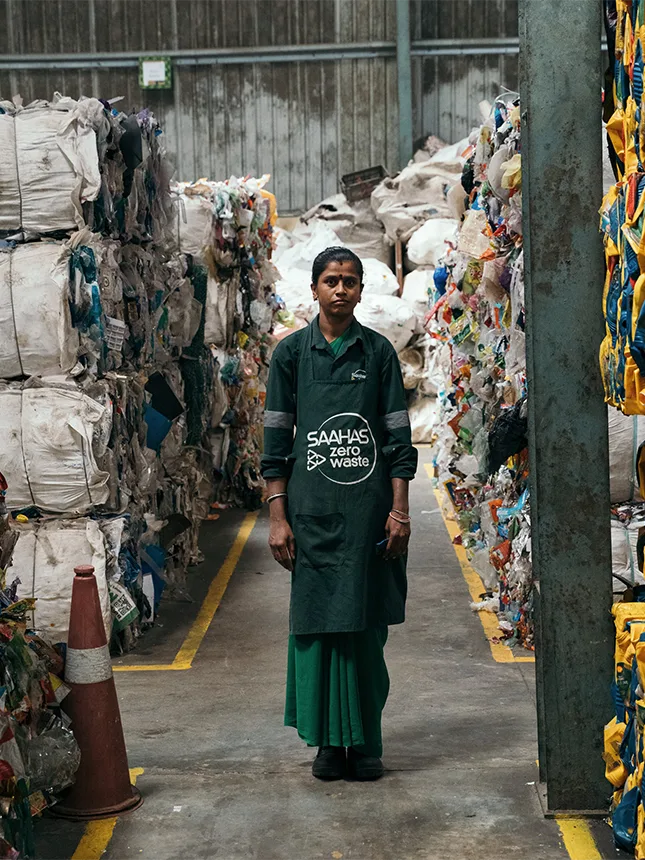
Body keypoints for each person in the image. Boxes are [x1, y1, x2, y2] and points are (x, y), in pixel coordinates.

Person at [261, 246, 418, 781]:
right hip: (311, 515)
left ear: (360, 290)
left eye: (350, 281)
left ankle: (366, 744)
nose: (341, 289)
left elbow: (399, 440)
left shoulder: (377, 354)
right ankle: (328, 745)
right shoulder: (289, 357)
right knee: (319, 628)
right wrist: (277, 517)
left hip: (368, 514)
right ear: (314, 289)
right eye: (331, 280)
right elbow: (276, 442)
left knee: (365, 628)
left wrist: (399, 511)